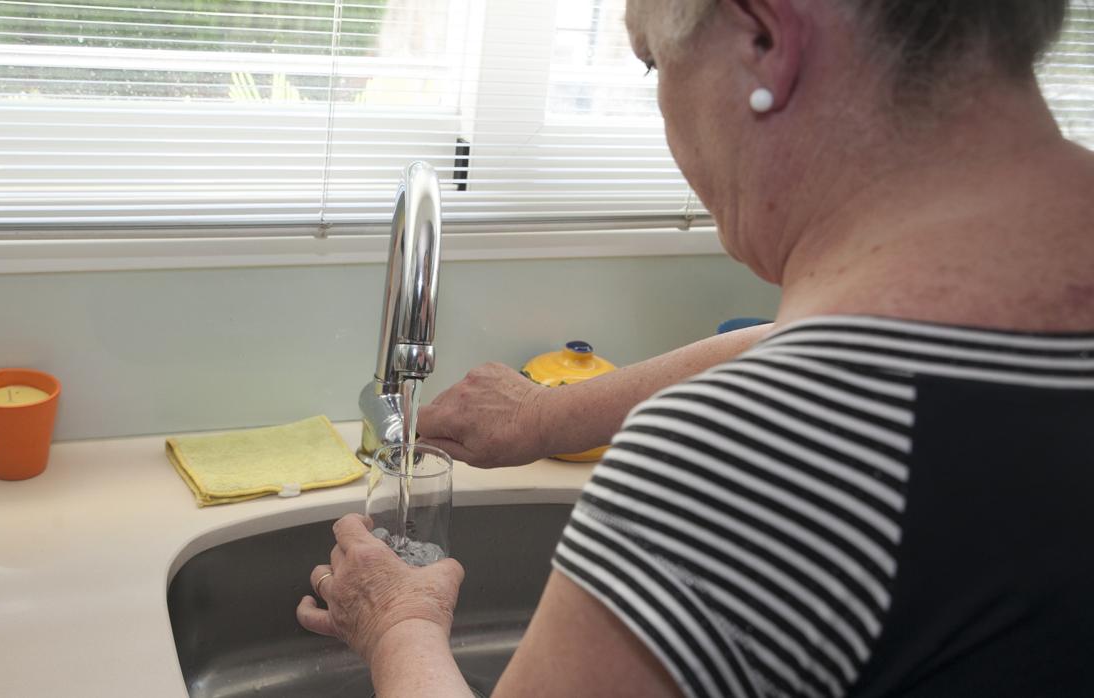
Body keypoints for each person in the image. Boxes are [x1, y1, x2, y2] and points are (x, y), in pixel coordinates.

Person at [298, 0, 1094, 695]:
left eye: (653, 63)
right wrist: (551, 415)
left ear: (765, 44)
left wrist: (399, 626)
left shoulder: (743, 454)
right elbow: (829, 346)